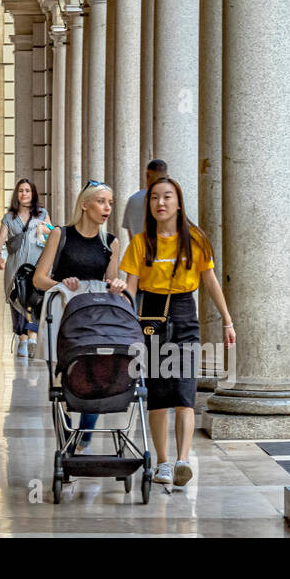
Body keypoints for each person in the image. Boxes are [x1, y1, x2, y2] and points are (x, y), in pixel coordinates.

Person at [118, 176, 234, 488]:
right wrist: (120, 303)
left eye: (167, 197)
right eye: (155, 198)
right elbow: (130, 288)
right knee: (157, 394)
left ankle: (183, 460)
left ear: (178, 203)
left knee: (185, 391)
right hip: (151, 317)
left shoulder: (195, 240)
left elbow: (209, 281)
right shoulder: (140, 243)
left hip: (184, 314)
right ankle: (163, 462)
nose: (161, 203)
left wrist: (227, 320)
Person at [32, 181, 126, 452]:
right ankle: (67, 437)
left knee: (95, 374)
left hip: (94, 316)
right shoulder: (61, 235)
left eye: (110, 202)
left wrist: (117, 285)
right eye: (101, 201)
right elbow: (39, 278)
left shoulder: (110, 243)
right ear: (84, 205)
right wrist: (62, 285)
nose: (107, 207)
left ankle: (83, 436)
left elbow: (110, 283)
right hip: (63, 312)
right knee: (63, 380)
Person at [0, 179, 51, 357]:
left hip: (37, 266)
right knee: (17, 301)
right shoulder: (9, 218)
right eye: (21, 191)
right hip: (15, 269)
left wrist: (46, 229)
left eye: (27, 190)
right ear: (16, 195)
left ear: (33, 193)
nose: (24, 194)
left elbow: (54, 234)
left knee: (36, 301)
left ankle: (32, 336)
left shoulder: (42, 214)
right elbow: (0, 241)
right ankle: (22, 339)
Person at [122, 159, 168, 245]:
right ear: (167, 177)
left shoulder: (133, 200)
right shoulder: (170, 202)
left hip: (139, 254)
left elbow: (130, 234)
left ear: (147, 176)